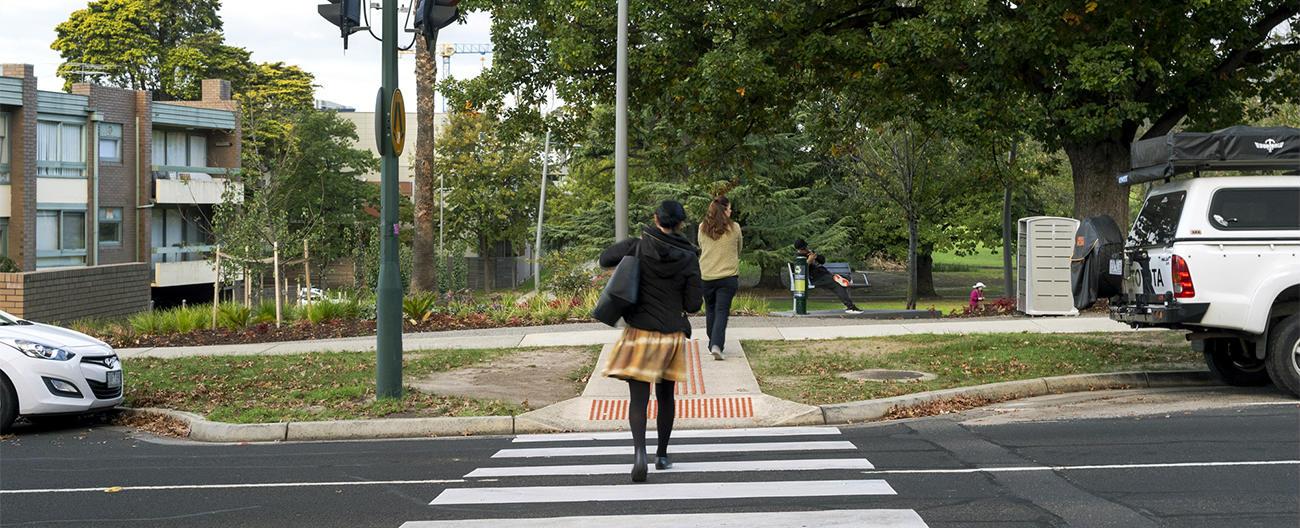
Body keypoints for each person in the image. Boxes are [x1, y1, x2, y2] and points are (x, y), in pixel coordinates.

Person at [598, 200, 702, 483]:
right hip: (671, 335)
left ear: (655, 218)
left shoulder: (637, 246)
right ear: (681, 223)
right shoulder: (690, 257)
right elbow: (694, 304)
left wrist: (629, 251)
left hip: (639, 333)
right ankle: (663, 455)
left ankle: (639, 453)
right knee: (666, 396)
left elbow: (605, 259)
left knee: (638, 399)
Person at [698, 196, 741, 361]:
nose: (731, 211)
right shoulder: (735, 228)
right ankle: (716, 344)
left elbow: (702, 246)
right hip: (728, 277)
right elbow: (739, 247)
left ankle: (712, 343)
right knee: (721, 311)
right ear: (724, 211)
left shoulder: (702, 227)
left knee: (710, 310)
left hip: (707, 275)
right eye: (729, 209)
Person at [794, 239, 863, 314]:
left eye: (806, 247)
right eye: (804, 249)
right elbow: (801, 272)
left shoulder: (809, 253)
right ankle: (851, 307)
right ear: (799, 250)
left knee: (838, 280)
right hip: (816, 279)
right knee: (837, 284)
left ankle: (845, 280)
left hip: (825, 275)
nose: (806, 250)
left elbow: (822, 261)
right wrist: (808, 262)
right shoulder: (799, 258)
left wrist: (816, 256)